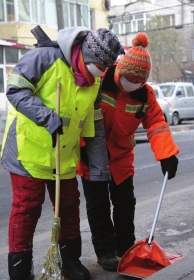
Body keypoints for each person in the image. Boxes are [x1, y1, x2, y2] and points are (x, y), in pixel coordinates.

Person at [0, 25, 121, 280]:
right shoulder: (44, 59)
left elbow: (93, 125)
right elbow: (15, 89)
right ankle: (20, 271)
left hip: (64, 156)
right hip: (28, 151)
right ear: (86, 55)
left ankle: (70, 261)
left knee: (68, 207)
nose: (102, 71)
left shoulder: (94, 82)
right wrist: (46, 117)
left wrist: (99, 168)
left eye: (105, 67)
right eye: (99, 65)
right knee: (27, 208)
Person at [77, 32, 179, 272]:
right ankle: (105, 252)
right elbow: (79, 112)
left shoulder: (145, 95)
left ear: (144, 81)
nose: (131, 84)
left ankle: (124, 249)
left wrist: (166, 154)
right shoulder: (100, 81)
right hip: (92, 156)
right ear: (119, 68)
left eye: (137, 81)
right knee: (98, 207)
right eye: (128, 78)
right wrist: (80, 147)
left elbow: (156, 124)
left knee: (125, 205)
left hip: (121, 158)